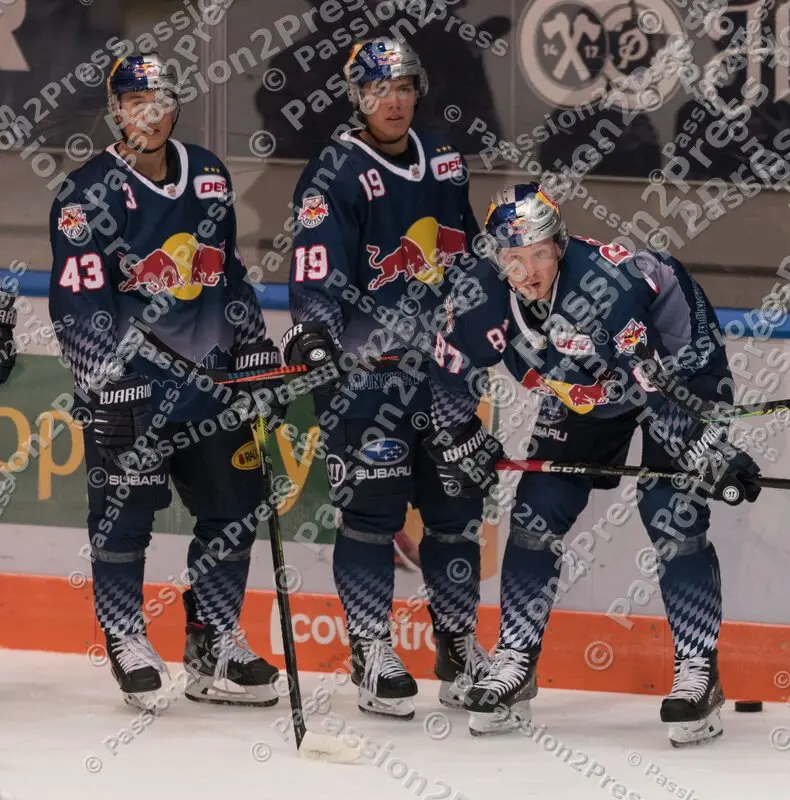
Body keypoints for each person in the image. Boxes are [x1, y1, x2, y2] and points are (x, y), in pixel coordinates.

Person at [421, 182, 763, 745]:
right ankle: (514, 661)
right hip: (586, 388)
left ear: (559, 245)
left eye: (538, 254)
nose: (527, 271)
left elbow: (648, 381)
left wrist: (704, 448)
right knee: (536, 513)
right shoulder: (479, 293)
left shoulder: (605, 286)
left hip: (676, 370)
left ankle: (699, 671)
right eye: (513, 258)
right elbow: (450, 365)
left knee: (670, 512)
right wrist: (459, 435)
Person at [48, 54, 283, 710]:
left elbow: (227, 274)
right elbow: (78, 300)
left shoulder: (207, 173)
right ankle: (126, 637)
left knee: (233, 511)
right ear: (114, 109)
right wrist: (104, 380)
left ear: (174, 107)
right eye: (131, 101)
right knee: (124, 519)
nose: (144, 113)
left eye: (157, 101)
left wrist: (256, 351)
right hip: (132, 392)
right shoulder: (85, 192)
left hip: (209, 385)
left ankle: (215, 642)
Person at [282, 36, 490, 720]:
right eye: (377, 89)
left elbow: (471, 256)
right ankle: (372, 650)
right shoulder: (334, 173)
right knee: (371, 515)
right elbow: (315, 270)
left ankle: (457, 646)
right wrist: (315, 331)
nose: (392, 100)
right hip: (365, 379)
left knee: (457, 516)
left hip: (447, 375)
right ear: (356, 98)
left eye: (402, 87)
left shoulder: (447, 159)